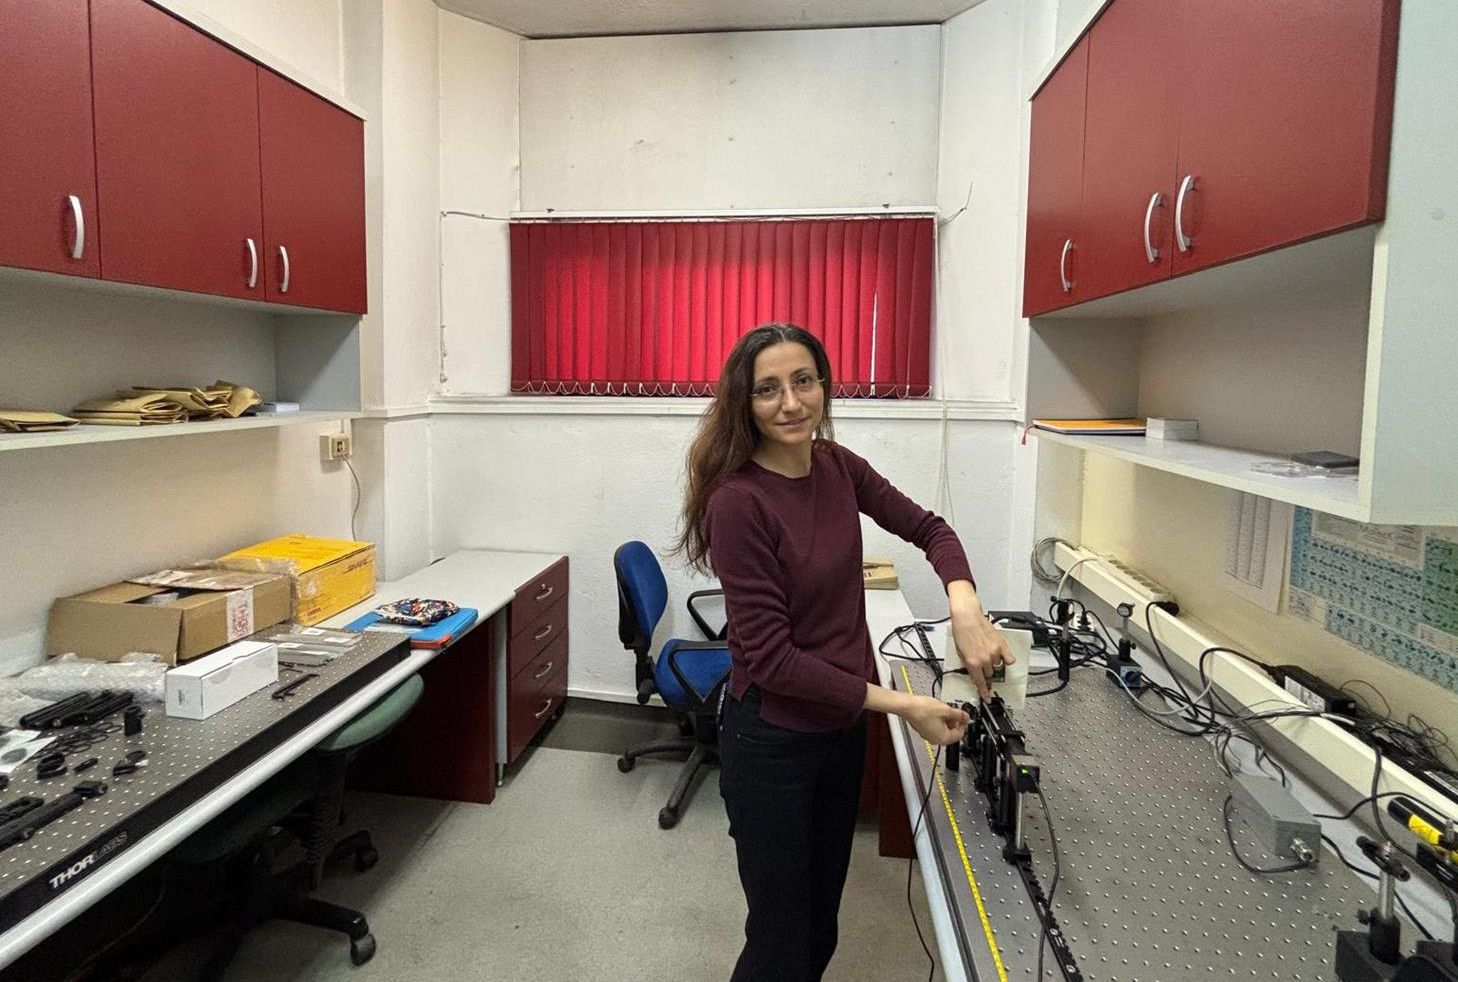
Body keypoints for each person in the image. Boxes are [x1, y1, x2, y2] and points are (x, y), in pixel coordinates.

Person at [674, 323, 1014, 982]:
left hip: (840, 732)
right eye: (768, 389)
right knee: (778, 939)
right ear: (745, 402)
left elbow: (931, 529)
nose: (790, 402)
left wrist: (965, 607)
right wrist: (903, 706)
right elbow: (773, 661)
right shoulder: (738, 503)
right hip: (772, 742)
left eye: (803, 381)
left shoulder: (835, 465)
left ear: (824, 386)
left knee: (821, 923)